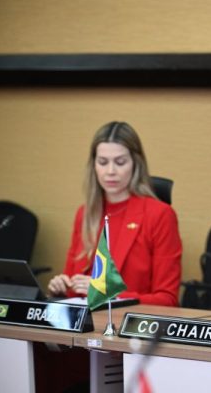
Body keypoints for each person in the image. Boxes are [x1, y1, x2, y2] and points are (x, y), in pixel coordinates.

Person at [47, 121, 182, 306]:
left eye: (120, 162)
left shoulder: (160, 215)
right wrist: (62, 288)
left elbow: (167, 299)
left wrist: (108, 293)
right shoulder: (84, 214)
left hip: (130, 322)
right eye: (103, 162)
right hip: (84, 320)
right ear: (93, 165)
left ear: (136, 164)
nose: (110, 171)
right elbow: (76, 288)